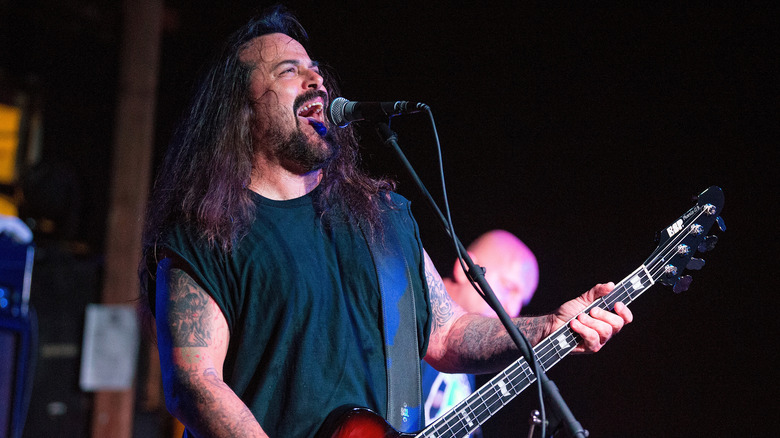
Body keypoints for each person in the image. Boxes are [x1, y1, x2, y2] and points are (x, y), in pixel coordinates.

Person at [139, 7, 632, 438]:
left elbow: (447, 335)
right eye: (290, 71)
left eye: (316, 69)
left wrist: (551, 325)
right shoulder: (205, 234)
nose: (317, 81)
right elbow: (195, 382)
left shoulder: (384, 220)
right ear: (241, 108)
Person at [421, 230, 539, 433]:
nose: (513, 310)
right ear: (464, 268)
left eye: (522, 301)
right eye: (508, 287)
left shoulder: (468, 362)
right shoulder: (411, 317)